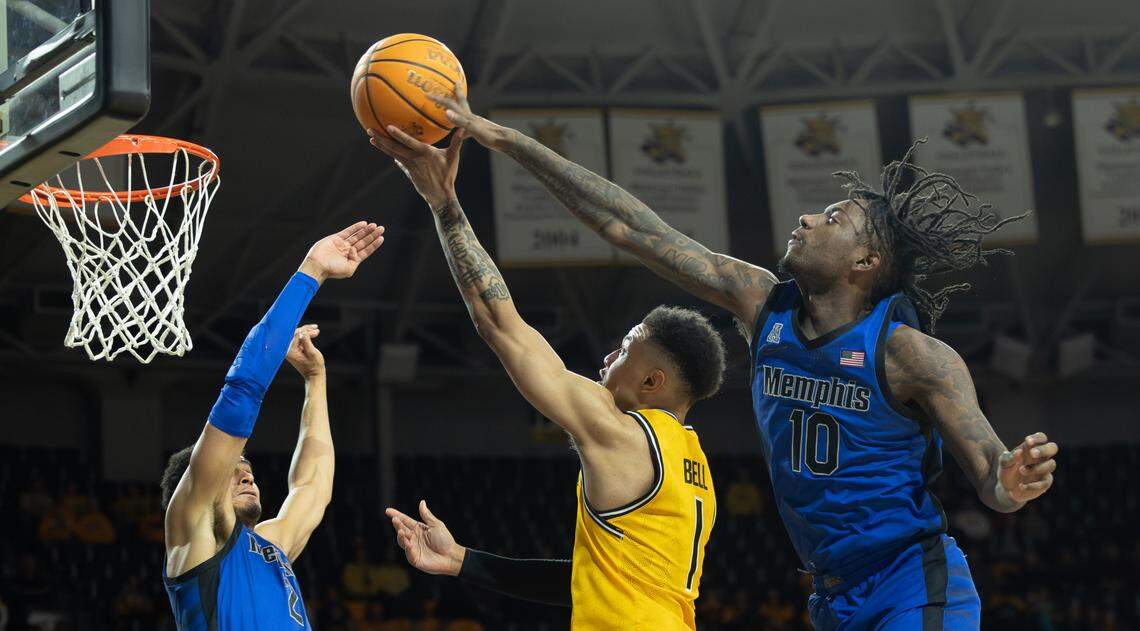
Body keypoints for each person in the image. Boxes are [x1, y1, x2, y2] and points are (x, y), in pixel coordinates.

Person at [433, 87, 1061, 629]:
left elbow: (991, 477)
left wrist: (1009, 480)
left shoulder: (912, 355)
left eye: (833, 218)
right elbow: (624, 224)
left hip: (910, 580)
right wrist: (501, 138)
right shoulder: (763, 305)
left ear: (865, 264)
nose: (808, 217)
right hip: (830, 594)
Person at [371, 125, 725, 629]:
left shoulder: (621, 432)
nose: (608, 358)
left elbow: (500, 326)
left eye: (625, 349)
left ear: (652, 383)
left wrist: (444, 202)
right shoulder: (696, 471)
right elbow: (589, 578)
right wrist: (463, 561)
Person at [159, 222, 384, 629]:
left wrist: (316, 380)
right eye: (234, 470)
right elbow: (240, 395)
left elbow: (312, 487)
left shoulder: (270, 547)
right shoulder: (194, 524)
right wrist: (312, 270)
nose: (247, 476)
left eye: (248, 470)